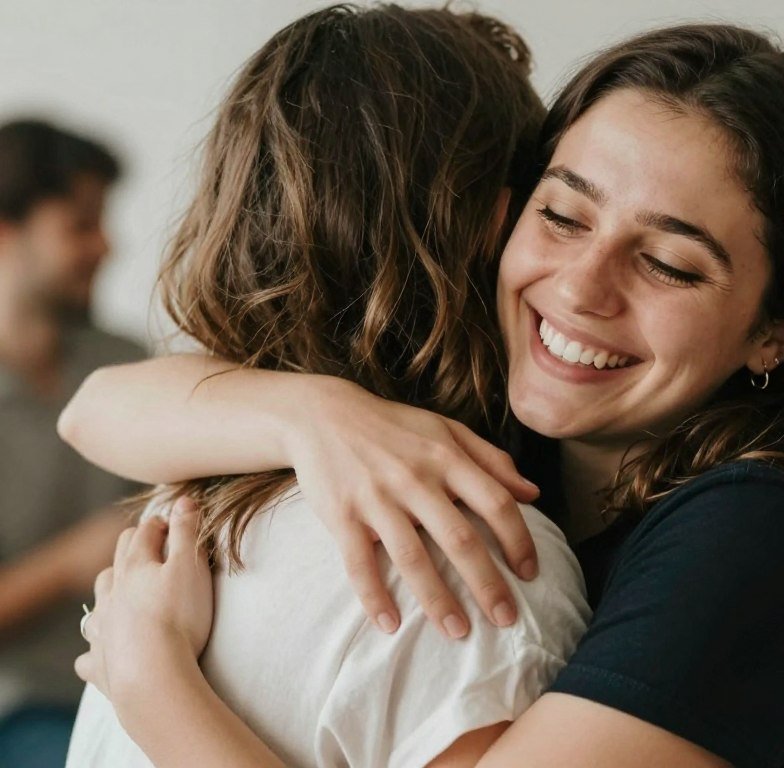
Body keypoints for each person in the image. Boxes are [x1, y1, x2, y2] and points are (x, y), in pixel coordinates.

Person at [61, 20, 784, 767]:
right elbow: (95, 407)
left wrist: (157, 686)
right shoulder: (512, 443)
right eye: (562, 216)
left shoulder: (758, 529)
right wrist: (314, 414)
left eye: (669, 263)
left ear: (779, 330)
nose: (583, 287)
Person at [63, 6, 590, 768]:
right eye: (562, 213)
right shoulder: (477, 562)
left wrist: (157, 684)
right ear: (496, 223)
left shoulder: (194, 495)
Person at [0, 119, 144, 768]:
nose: (107, 246)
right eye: (81, 225)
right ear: (7, 232)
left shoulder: (126, 363)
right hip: (28, 705)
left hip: (144, 679)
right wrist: (71, 561)